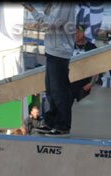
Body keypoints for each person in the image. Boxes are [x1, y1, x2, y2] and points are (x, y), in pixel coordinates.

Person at [23, 3, 76, 136]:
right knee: (51, 90)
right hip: (52, 50)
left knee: (59, 91)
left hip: (60, 51)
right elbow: (48, 17)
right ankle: (51, 121)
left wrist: (32, 10)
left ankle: (63, 125)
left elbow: (52, 24)